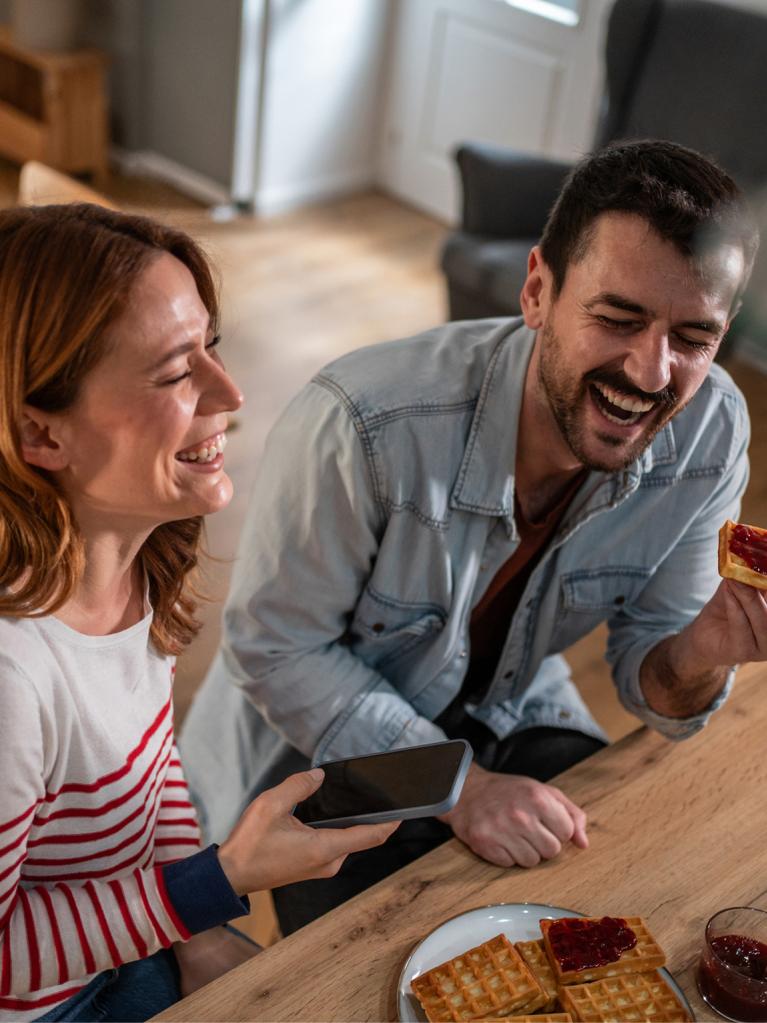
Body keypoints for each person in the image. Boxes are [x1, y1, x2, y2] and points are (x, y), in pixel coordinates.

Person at [180, 139, 765, 935]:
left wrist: (703, 648)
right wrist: (464, 788)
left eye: (692, 338)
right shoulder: (361, 423)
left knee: (623, 900)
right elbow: (275, 651)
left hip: (510, 704)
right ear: (535, 291)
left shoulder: (712, 427)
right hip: (318, 745)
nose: (652, 372)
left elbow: (655, 683)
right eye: (617, 318)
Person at [0, 203, 399, 1023]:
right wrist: (213, 883)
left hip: (126, 947)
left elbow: (152, 777)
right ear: (42, 431)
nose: (231, 391)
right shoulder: (13, 675)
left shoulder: (131, 560)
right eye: (177, 371)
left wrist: (202, 928)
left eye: (210, 347)